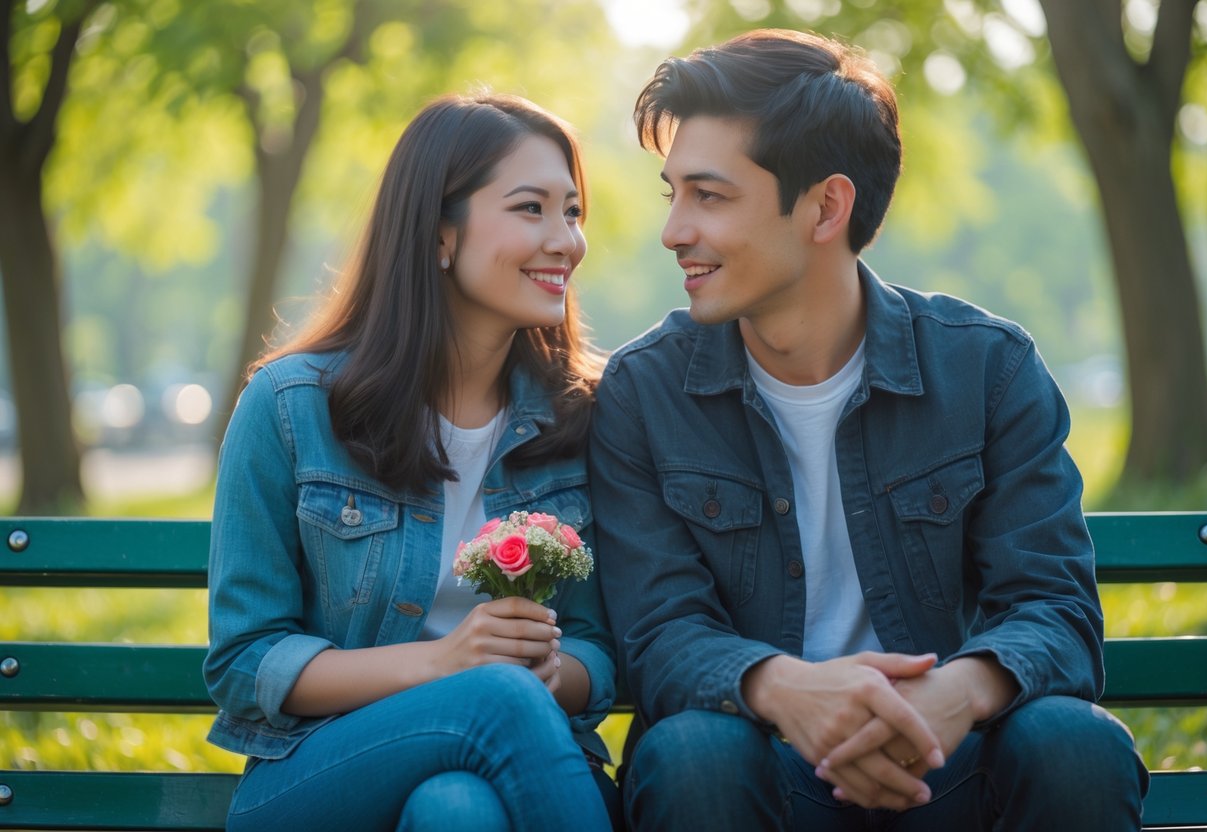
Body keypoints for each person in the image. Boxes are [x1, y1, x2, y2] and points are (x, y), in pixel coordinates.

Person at [589, 28, 1148, 831]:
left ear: (826, 206)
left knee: (1072, 742)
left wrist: (951, 697)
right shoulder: (645, 392)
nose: (674, 229)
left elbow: (1052, 609)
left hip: (946, 765)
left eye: (708, 196)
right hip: (759, 768)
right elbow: (657, 633)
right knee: (692, 756)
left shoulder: (986, 370)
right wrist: (787, 692)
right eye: (671, 193)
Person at [204, 93, 616, 832]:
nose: (566, 241)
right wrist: (446, 667)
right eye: (530, 209)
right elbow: (244, 660)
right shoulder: (291, 406)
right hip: (320, 770)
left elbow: (599, 649)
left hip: (514, 763)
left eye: (573, 212)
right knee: (497, 699)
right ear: (437, 236)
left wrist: (555, 672)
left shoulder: (584, 415)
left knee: (455, 810)